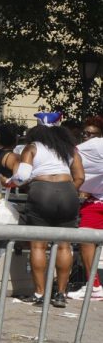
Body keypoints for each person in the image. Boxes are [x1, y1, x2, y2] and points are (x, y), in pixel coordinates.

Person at [6, 124, 84, 308]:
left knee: (38, 245)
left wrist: (8, 182)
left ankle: (40, 294)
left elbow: (22, 176)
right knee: (64, 246)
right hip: (67, 192)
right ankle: (60, 294)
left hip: (41, 191)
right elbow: (80, 176)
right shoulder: (69, 149)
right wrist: (68, 190)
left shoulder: (32, 147)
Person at [71, 117, 103, 300]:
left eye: (93, 134)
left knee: (85, 238)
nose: (88, 137)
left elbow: (65, 152)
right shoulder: (85, 154)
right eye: (86, 133)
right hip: (95, 202)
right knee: (86, 239)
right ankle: (94, 285)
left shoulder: (95, 146)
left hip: (96, 203)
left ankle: (95, 286)